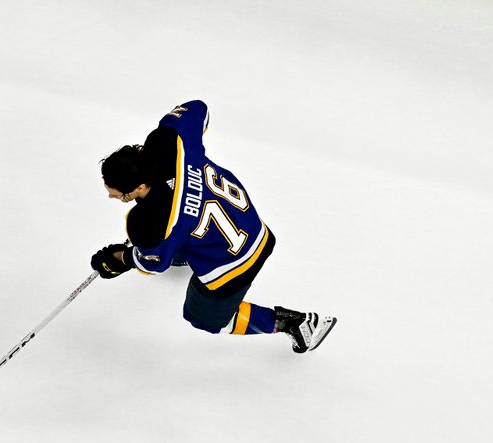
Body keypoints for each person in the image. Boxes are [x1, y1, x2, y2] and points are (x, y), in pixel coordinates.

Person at [91, 100, 336, 353]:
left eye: (119, 195)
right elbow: (198, 109)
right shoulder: (169, 141)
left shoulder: (148, 224)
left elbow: (153, 263)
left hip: (232, 263)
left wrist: (120, 258)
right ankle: (184, 251)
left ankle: (294, 324)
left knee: (202, 318)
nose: (113, 198)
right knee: (177, 235)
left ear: (140, 187)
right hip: (248, 222)